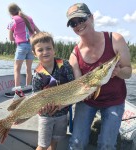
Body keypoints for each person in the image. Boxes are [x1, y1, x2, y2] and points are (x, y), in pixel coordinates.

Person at [66, 3, 132, 150]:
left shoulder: (115, 39)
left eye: (81, 19)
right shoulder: (74, 54)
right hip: (88, 102)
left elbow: (128, 71)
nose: (78, 25)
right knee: (77, 143)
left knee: (107, 145)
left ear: (91, 17)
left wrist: (118, 72)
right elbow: (78, 85)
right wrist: (82, 94)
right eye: (73, 23)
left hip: (114, 100)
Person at [30, 31, 74, 150]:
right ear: (34, 53)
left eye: (48, 48)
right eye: (40, 50)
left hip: (62, 114)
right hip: (46, 116)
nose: (45, 52)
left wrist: (64, 104)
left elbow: (74, 87)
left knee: (55, 141)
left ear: (54, 50)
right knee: (43, 145)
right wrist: (41, 107)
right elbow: (35, 99)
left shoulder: (64, 65)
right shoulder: (37, 75)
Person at [7, 3, 40, 90]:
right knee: (28, 69)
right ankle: (28, 88)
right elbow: (38, 31)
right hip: (31, 46)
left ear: (11, 13)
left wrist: (17, 39)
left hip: (21, 46)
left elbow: (10, 38)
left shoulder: (13, 21)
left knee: (17, 69)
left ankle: (18, 91)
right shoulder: (29, 19)